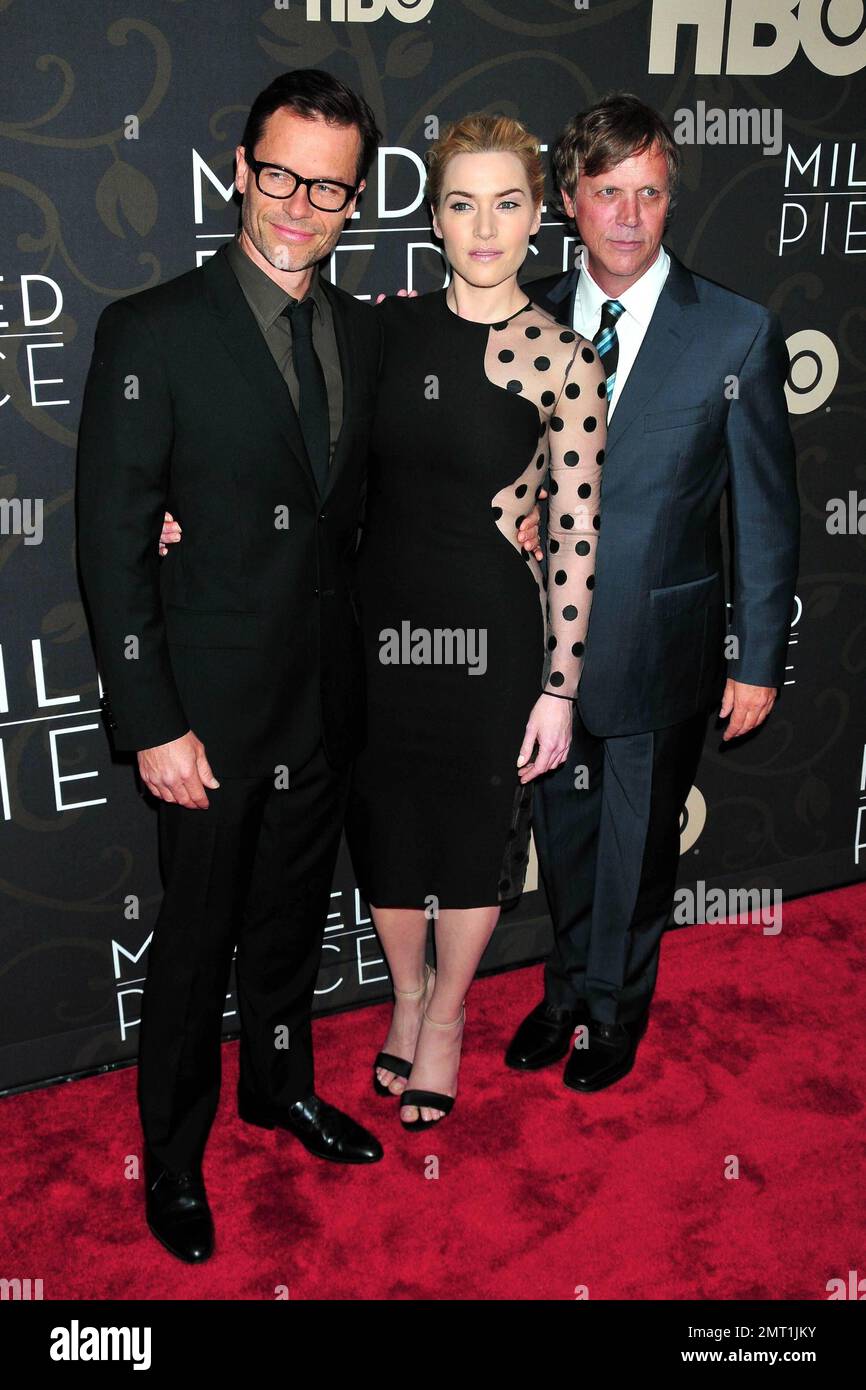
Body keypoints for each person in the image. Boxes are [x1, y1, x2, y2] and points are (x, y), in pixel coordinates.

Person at [77, 70, 391, 1266]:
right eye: (280, 175)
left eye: (328, 184)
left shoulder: (362, 332)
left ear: (353, 197)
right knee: (195, 941)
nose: (301, 204)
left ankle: (278, 1089)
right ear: (240, 171)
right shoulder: (152, 329)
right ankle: (171, 1158)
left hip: (322, 701)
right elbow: (112, 541)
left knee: (288, 925)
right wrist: (151, 720)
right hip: (203, 716)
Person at [505, 93, 800, 1091]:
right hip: (544, 653)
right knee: (566, 841)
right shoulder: (525, 315)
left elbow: (762, 510)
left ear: (668, 200)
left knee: (634, 856)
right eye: (605, 193)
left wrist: (756, 659)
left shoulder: (732, 333)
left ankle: (610, 1016)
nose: (626, 217)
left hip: (660, 646)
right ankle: (559, 995)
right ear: (568, 201)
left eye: (647, 194)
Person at [342, 114, 606, 1129]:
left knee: (470, 837)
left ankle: (446, 1015)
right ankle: (404, 997)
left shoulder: (562, 358)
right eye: (461, 203)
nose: (483, 226)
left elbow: (577, 534)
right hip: (379, 633)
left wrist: (559, 685)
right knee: (389, 828)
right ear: (435, 216)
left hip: (495, 638)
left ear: (537, 217)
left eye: (506, 203)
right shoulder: (381, 329)